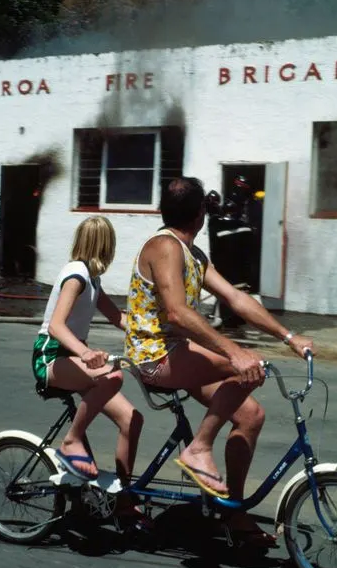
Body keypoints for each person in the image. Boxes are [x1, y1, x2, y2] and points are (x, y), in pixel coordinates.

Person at [124, 177, 315, 547]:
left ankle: (232, 510)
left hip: (180, 354)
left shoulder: (193, 254)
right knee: (243, 367)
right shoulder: (165, 246)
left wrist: (289, 337)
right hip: (154, 355)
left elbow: (236, 299)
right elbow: (178, 313)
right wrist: (234, 351)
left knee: (251, 416)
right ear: (201, 215)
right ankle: (199, 449)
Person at [32, 215, 145, 523]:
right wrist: (86, 352)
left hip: (75, 360)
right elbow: (55, 325)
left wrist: (155, 336)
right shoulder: (76, 275)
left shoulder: (92, 278)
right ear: (105, 245)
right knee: (111, 376)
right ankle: (72, 441)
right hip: (52, 356)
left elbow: (117, 317)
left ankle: (123, 497)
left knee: (132, 420)